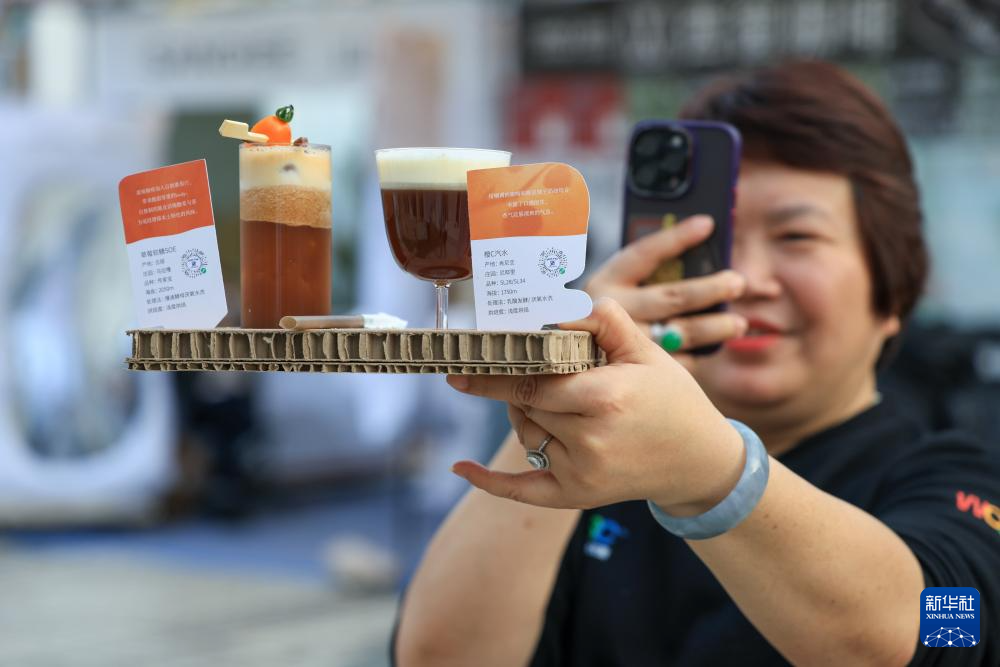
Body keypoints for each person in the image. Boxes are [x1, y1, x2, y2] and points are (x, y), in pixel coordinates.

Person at [393, 61, 1000, 666]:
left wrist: (713, 474)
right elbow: (439, 658)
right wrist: (567, 374)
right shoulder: (597, 470)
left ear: (892, 292)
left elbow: (941, 635)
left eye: (797, 237)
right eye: (709, 244)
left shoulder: (958, 475)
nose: (744, 279)